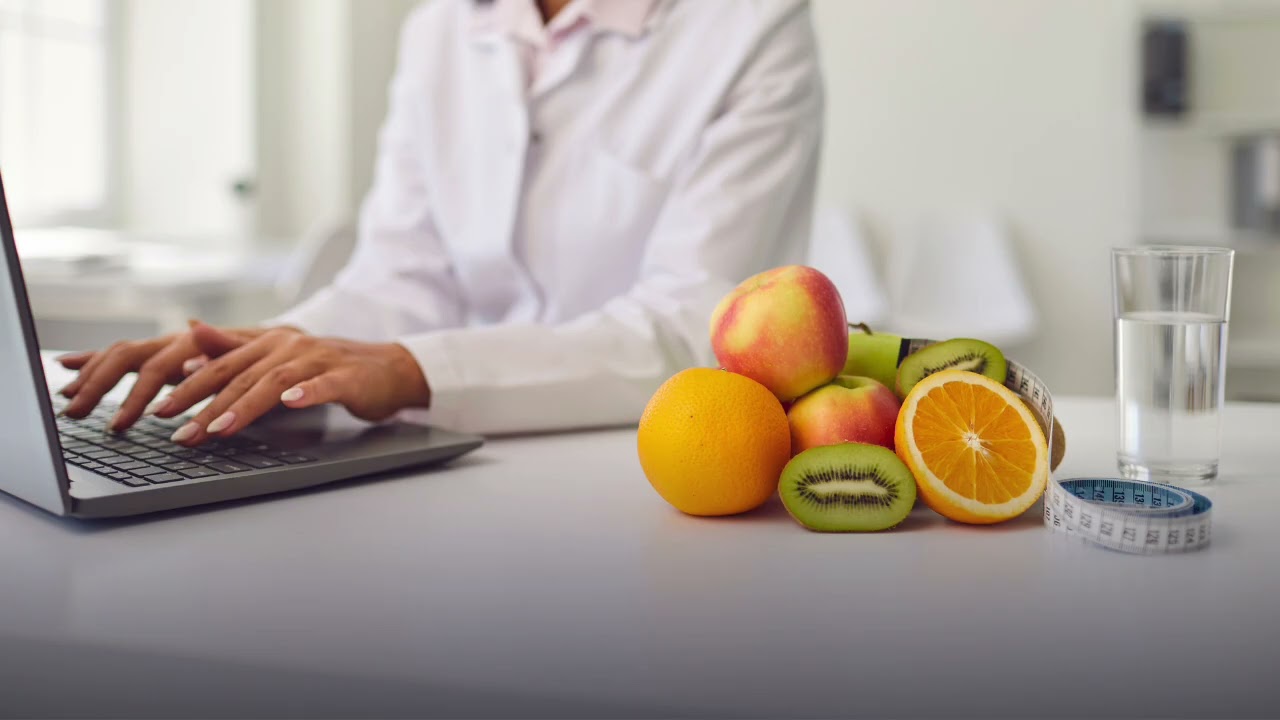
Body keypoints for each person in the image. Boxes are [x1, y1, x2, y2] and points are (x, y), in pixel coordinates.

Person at [57, 0, 823, 445]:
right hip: (453, 450)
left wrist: (413, 370)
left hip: (638, 459)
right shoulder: (440, 27)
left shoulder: (751, 26)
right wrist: (267, 355)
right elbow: (400, 276)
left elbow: (691, 329)